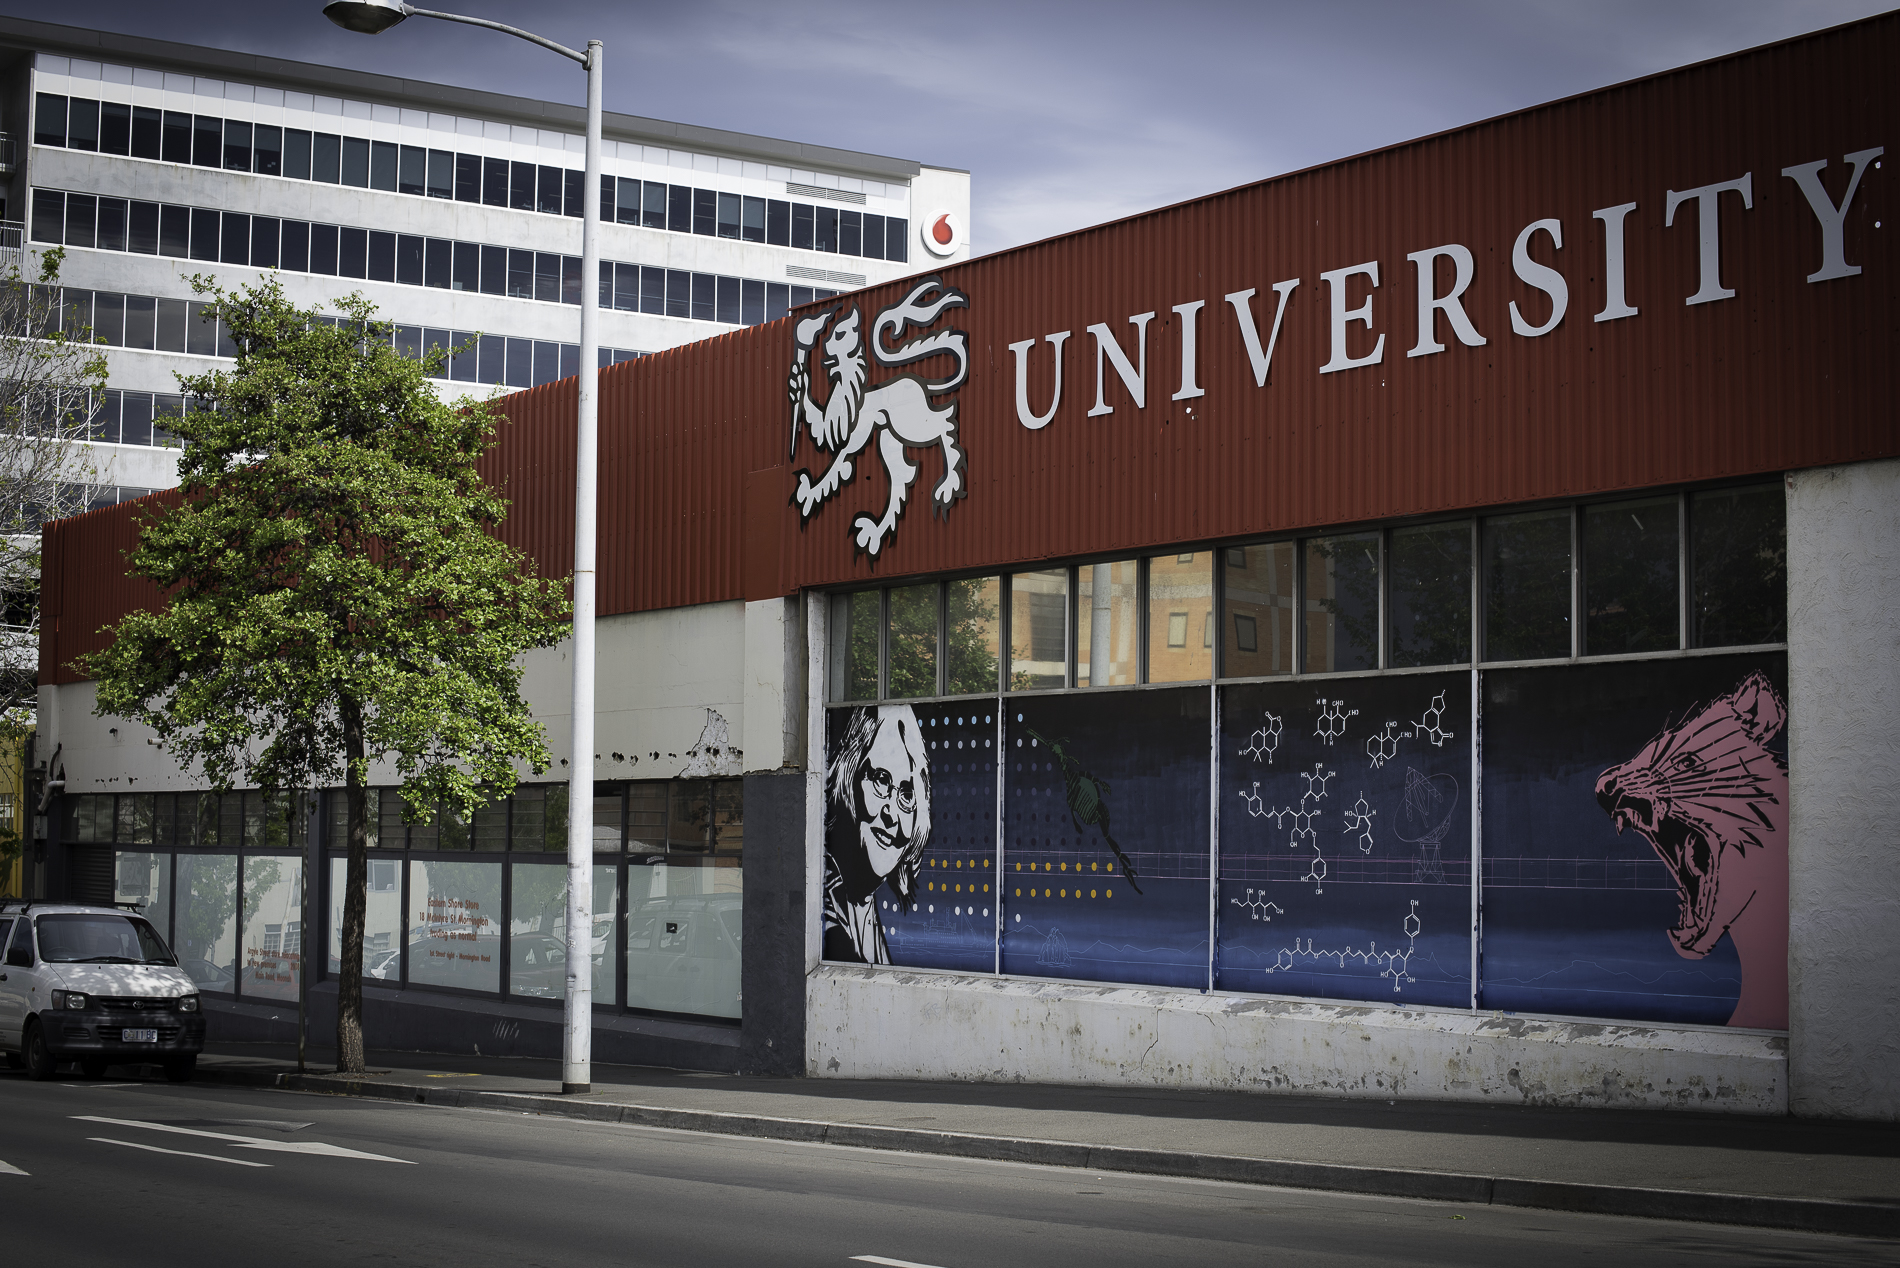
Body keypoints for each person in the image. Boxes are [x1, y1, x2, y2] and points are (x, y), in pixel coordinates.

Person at [824, 704, 932, 963]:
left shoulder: (864, 907)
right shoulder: (827, 908)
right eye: (881, 780)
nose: (891, 815)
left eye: (907, 795)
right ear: (850, 777)